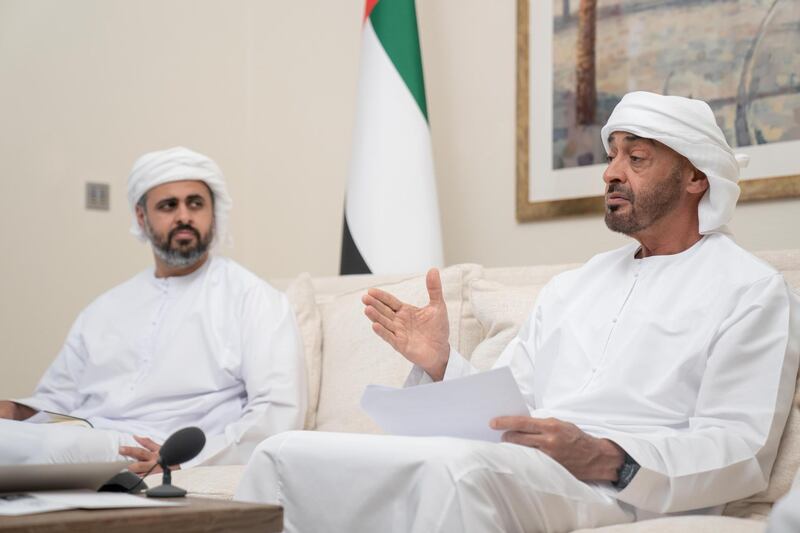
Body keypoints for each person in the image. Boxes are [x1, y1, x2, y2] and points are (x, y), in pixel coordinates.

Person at [235, 92, 799, 532]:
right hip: (523, 467)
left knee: (454, 472)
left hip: (626, 489)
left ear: (696, 177)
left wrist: (608, 458)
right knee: (285, 454)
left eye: (638, 158)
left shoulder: (750, 290)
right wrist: (441, 365)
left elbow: (740, 448)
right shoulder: (575, 285)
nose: (610, 173)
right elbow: (511, 406)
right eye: (611, 157)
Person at [0, 147, 307, 473]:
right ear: (142, 217)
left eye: (196, 203)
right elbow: (58, 397)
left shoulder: (253, 298)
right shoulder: (105, 308)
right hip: (83, 437)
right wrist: (19, 412)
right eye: (168, 205)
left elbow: (276, 410)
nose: (184, 216)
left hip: (155, 448)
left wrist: (182, 461)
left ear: (213, 215)